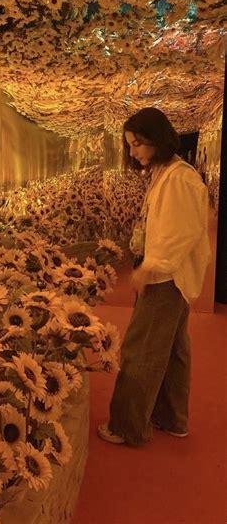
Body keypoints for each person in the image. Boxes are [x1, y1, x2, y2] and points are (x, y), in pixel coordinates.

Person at [97, 107, 211, 446]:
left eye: (138, 144)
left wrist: (151, 267)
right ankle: (170, 417)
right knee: (172, 350)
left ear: (158, 140)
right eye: (130, 145)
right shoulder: (167, 172)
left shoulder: (179, 177)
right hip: (168, 276)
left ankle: (128, 426)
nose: (133, 152)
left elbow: (182, 232)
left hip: (165, 279)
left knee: (140, 350)